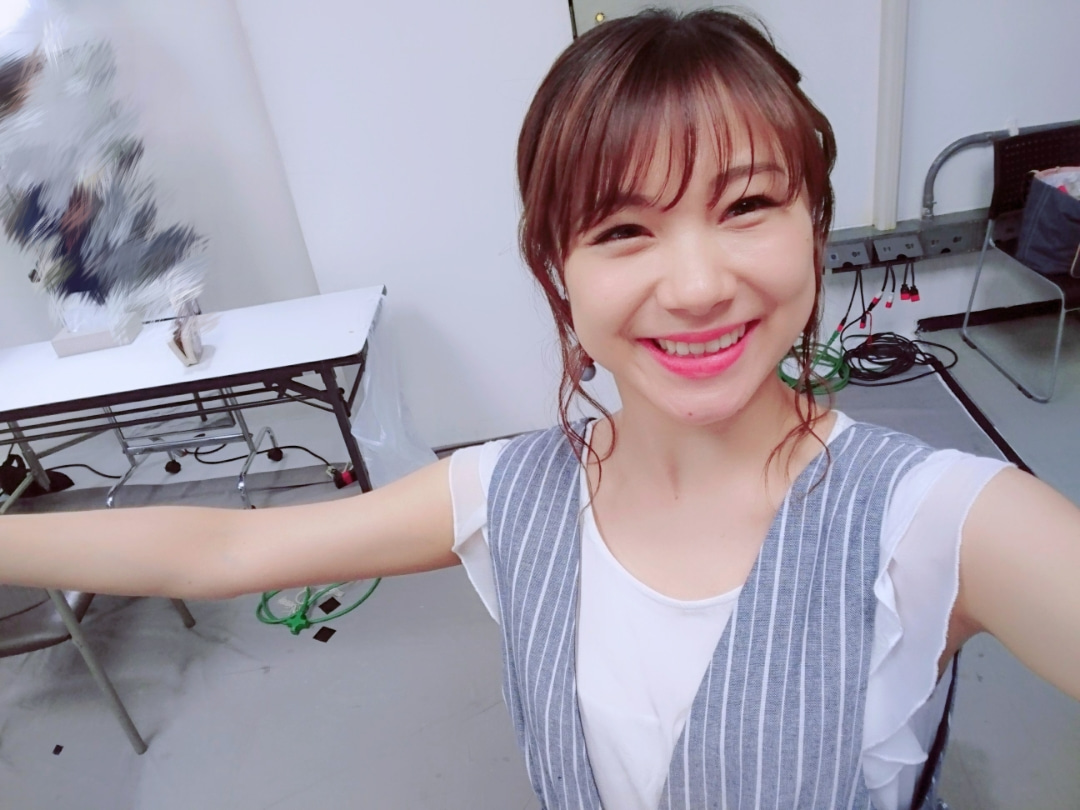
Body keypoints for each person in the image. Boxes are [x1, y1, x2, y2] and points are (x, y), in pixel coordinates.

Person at [1, 8, 1078, 810]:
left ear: (814, 228)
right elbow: (223, 552)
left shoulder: (944, 523)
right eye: (623, 230)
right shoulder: (505, 494)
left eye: (748, 205)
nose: (696, 285)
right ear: (559, 271)